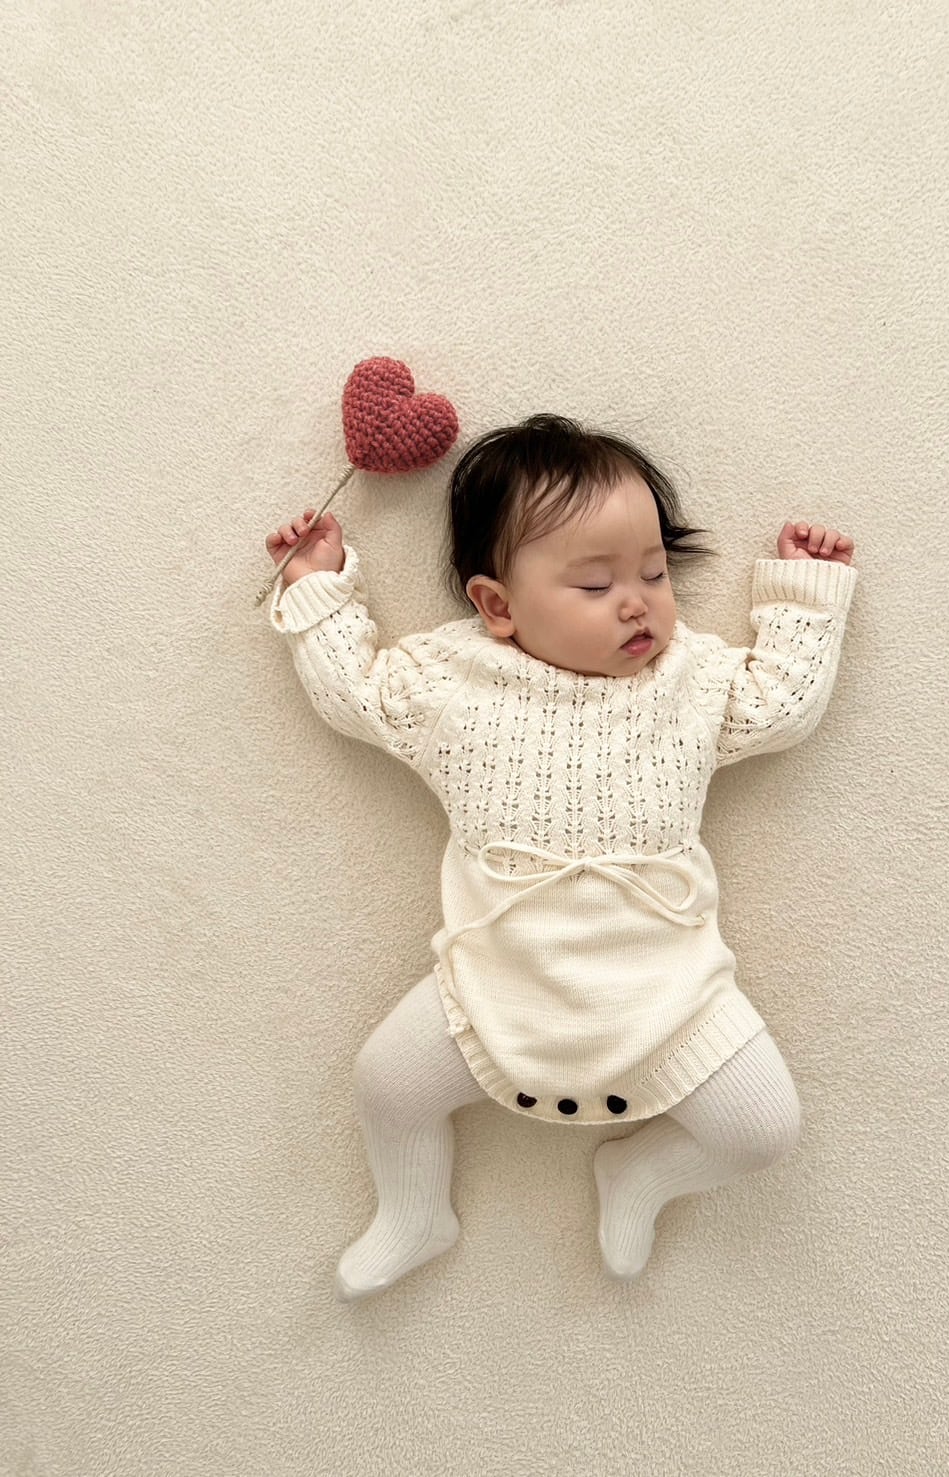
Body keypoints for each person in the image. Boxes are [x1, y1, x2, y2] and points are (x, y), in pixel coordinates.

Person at [264, 413, 858, 1297]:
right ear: (498, 606)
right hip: (495, 985)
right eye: (595, 583)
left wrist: (806, 595)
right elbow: (357, 693)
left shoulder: (688, 681)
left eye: (654, 572)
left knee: (764, 1130)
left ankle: (641, 1172)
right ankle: (414, 1212)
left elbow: (781, 705)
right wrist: (318, 586)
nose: (638, 602)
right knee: (386, 1082)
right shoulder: (452, 682)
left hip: (670, 997)